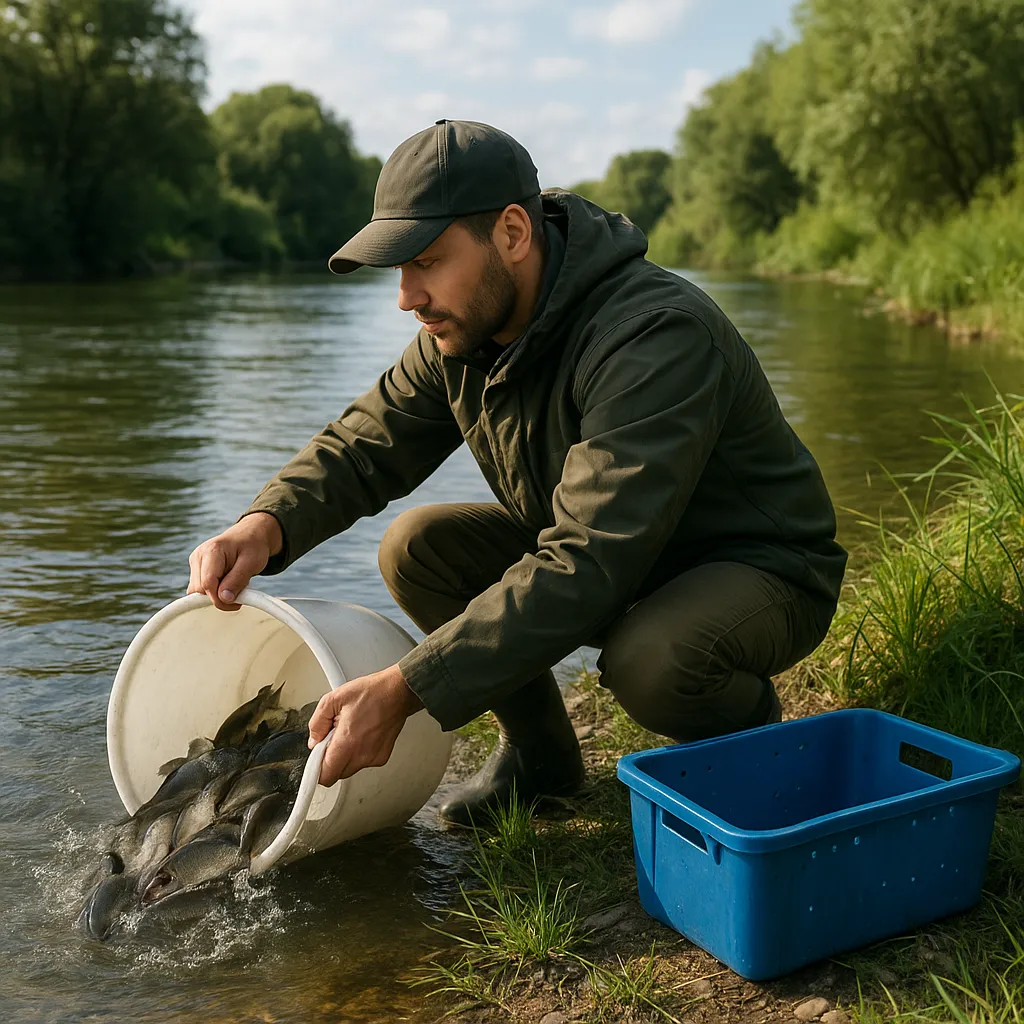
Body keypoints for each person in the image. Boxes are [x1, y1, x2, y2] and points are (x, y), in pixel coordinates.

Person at [187, 119, 848, 826]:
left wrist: (406, 688)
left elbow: (587, 561)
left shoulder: (653, 334)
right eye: (399, 269)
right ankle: (542, 765)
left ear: (511, 233)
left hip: (756, 569)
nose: (406, 297)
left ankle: (758, 752)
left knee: (653, 662)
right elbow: (366, 443)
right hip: (615, 561)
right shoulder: (462, 329)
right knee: (417, 547)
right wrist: (267, 523)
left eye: (427, 261)